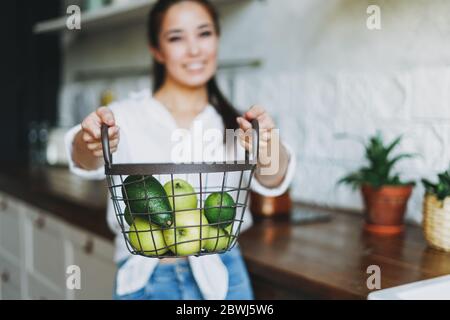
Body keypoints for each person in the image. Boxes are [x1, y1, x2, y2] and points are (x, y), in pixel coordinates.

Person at [65, 0, 296, 300]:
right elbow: (81, 158)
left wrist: (267, 143)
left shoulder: (235, 122)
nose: (194, 49)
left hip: (225, 277)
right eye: (176, 37)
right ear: (156, 49)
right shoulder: (124, 116)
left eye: (204, 34)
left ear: (217, 39)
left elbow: (275, 179)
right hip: (147, 278)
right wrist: (90, 141)